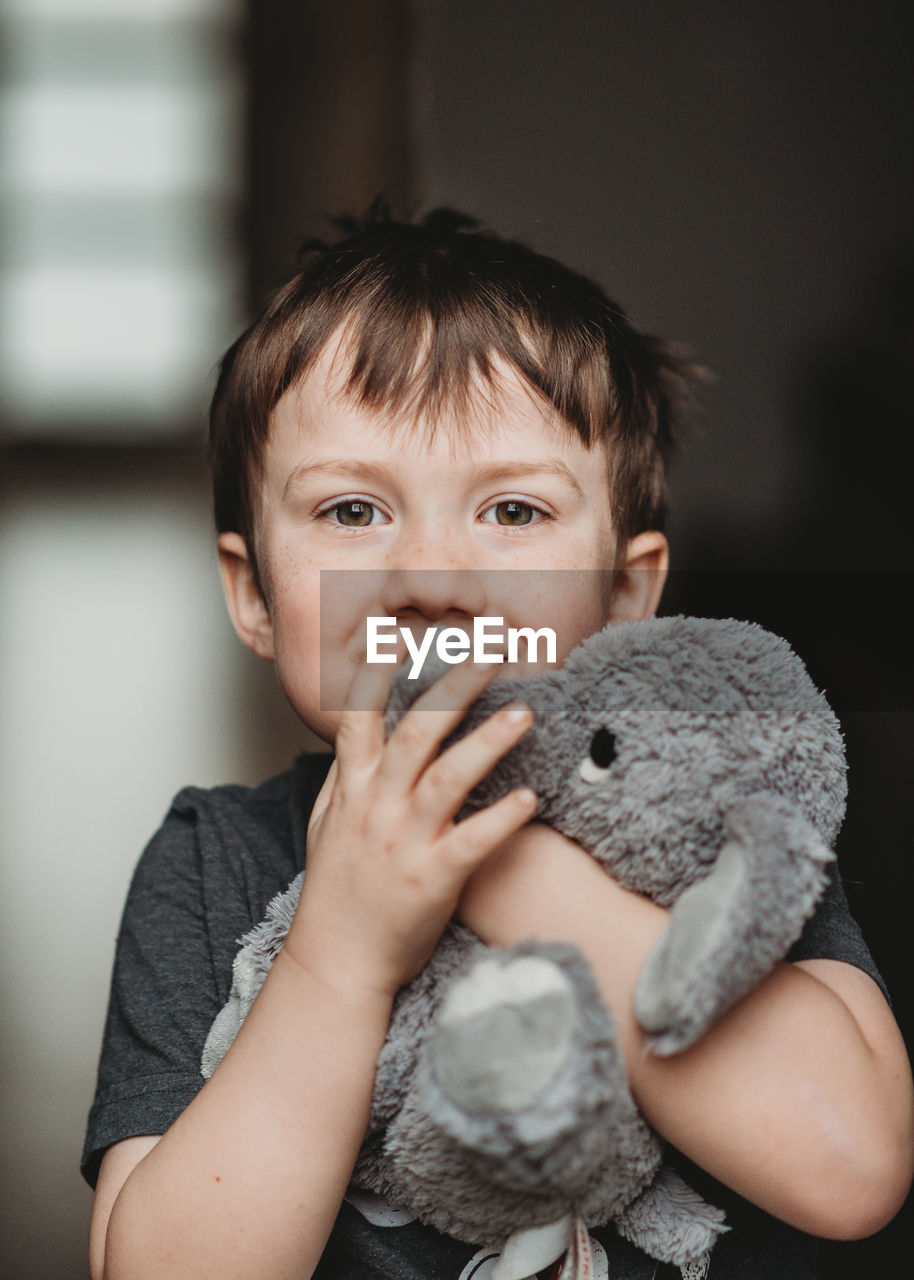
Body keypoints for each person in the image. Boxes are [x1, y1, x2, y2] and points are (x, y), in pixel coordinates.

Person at [83, 209, 913, 1280]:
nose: (431, 573)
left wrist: (507, 869)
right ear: (252, 595)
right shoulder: (210, 863)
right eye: (349, 509)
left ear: (626, 594)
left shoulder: (722, 826)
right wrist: (335, 955)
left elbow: (847, 1169)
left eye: (513, 510)